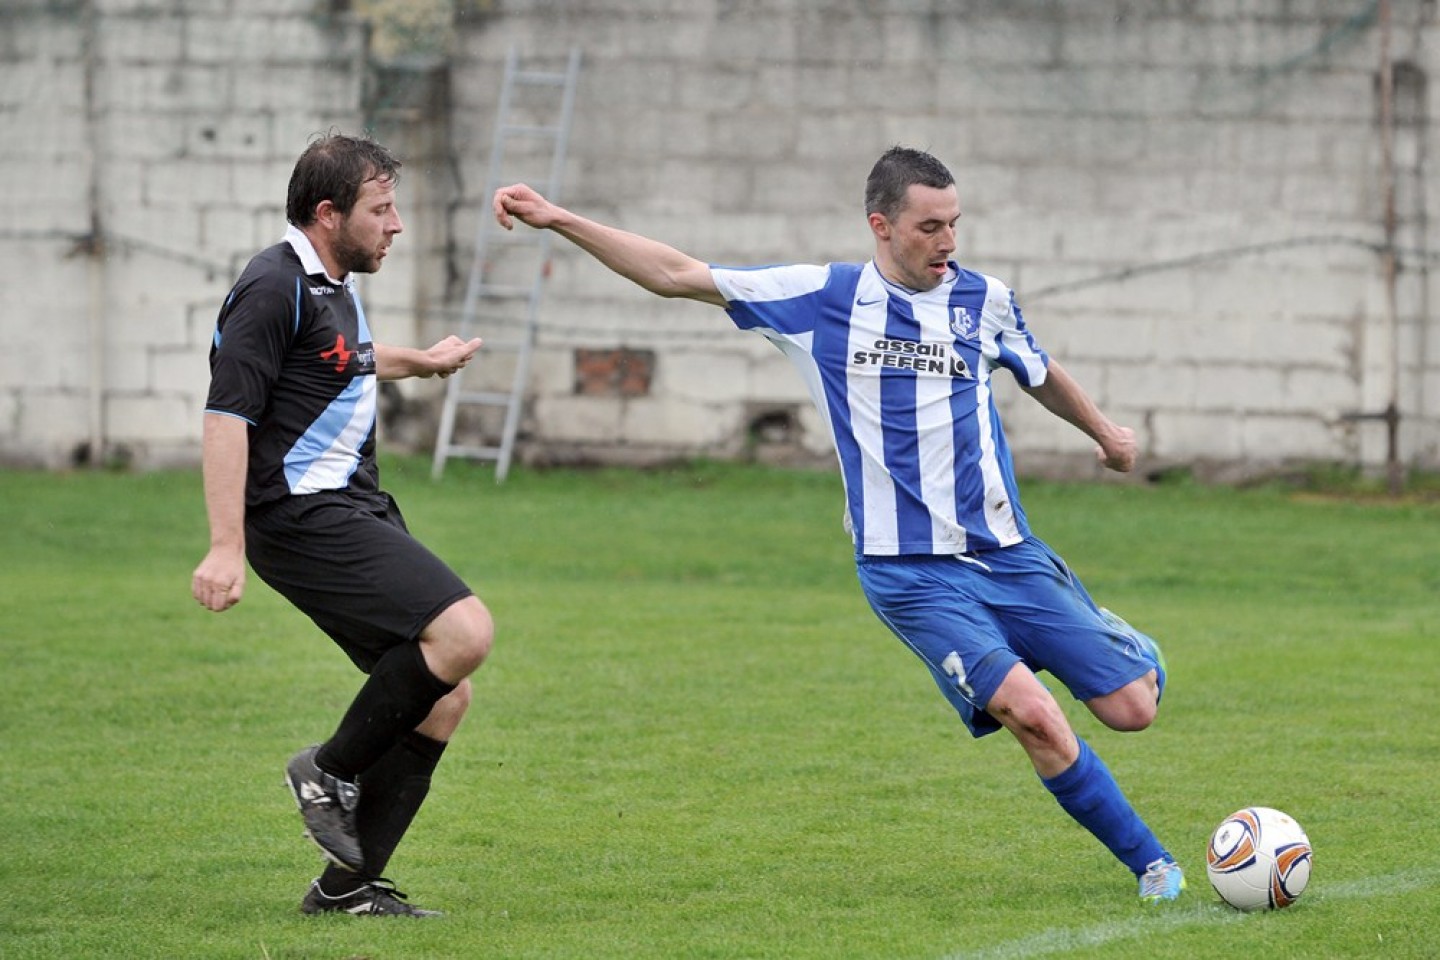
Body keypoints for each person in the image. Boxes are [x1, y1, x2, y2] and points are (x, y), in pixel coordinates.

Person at [491, 146, 1185, 902]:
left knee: (1132, 710)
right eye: (930, 227)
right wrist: (558, 218)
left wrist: (1106, 434)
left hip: (1007, 553)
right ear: (881, 226)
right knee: (1035, 716)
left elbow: (1040, 373)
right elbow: (676, 273)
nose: (948, 242)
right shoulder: (820, 298)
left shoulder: (984, 299)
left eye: (955, 224)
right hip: (907, 575)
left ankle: (1120, 642)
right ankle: (1154, 864)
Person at [191, 132, 494, 917]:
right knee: (463, 633)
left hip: (350, 503)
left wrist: (419, 362)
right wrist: (226, 546)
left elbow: (336, 359)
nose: (396, 226)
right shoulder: (271, 287)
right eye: (381, 209)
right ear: (328, 214)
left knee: (442, 698)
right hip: (299, 514)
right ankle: (325, 770)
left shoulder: (328, 284)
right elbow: (227, 415)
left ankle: (346, 889)